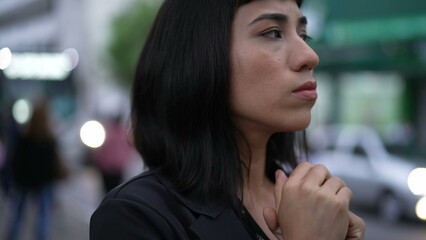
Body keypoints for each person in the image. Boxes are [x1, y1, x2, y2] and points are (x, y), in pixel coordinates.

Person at [90, 0, 366, 239]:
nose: (310, 56)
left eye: (304, 36)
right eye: (273, 33)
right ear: (197, 55)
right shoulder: (136, 215)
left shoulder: (309, 200)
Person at [6, 101, 64, 240]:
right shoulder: (49, 140)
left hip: (24, 181)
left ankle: (12, 236)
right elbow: (52, 165)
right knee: (43, 217)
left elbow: (15, 161)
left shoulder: (24, 138)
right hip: (41, 182)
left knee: (18, 215)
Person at [91, 115, 134, 193]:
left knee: (108, 188)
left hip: (108, 166)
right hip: (115, 166)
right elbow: (129, 148)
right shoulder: (123, 133)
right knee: (116, 188)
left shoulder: (107, 132)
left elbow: (99, 148)